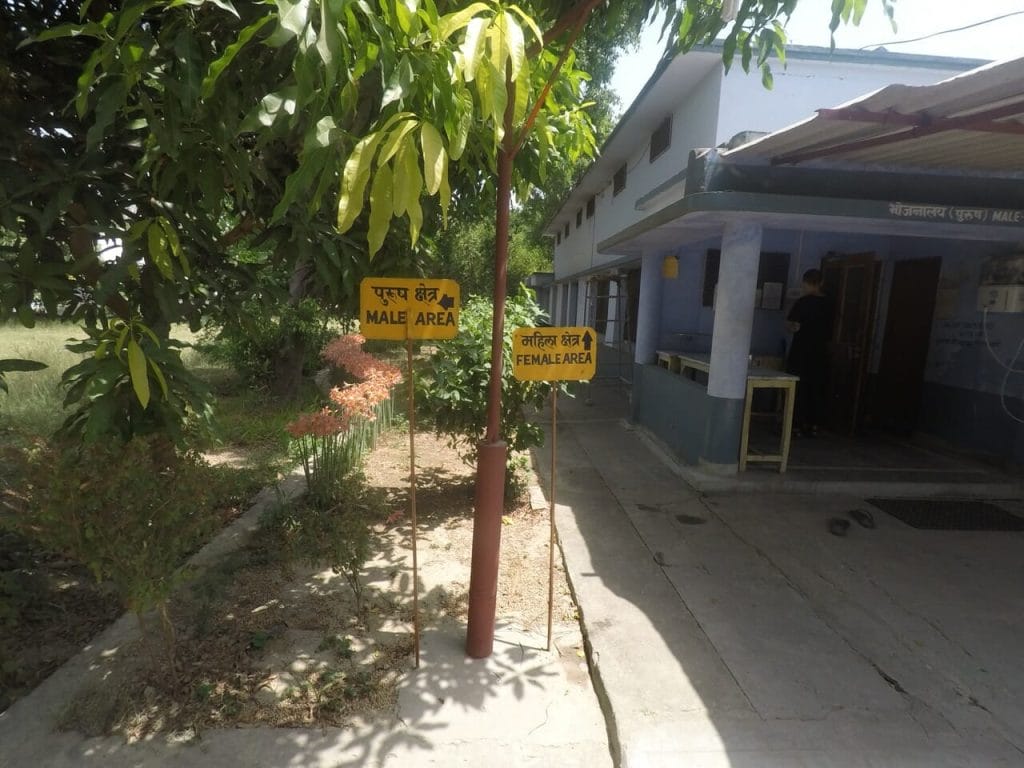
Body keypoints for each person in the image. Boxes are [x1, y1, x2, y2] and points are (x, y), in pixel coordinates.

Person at [786, 268, 832, 436]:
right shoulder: (830, 304)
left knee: (799, 389)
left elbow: (791, 325)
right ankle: (814, 426)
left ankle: (796, 426)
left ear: (806, 283)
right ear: (822, 282)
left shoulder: (803, 303)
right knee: (816, 389)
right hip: (820, 352)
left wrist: (794, 327)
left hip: (801, 352)